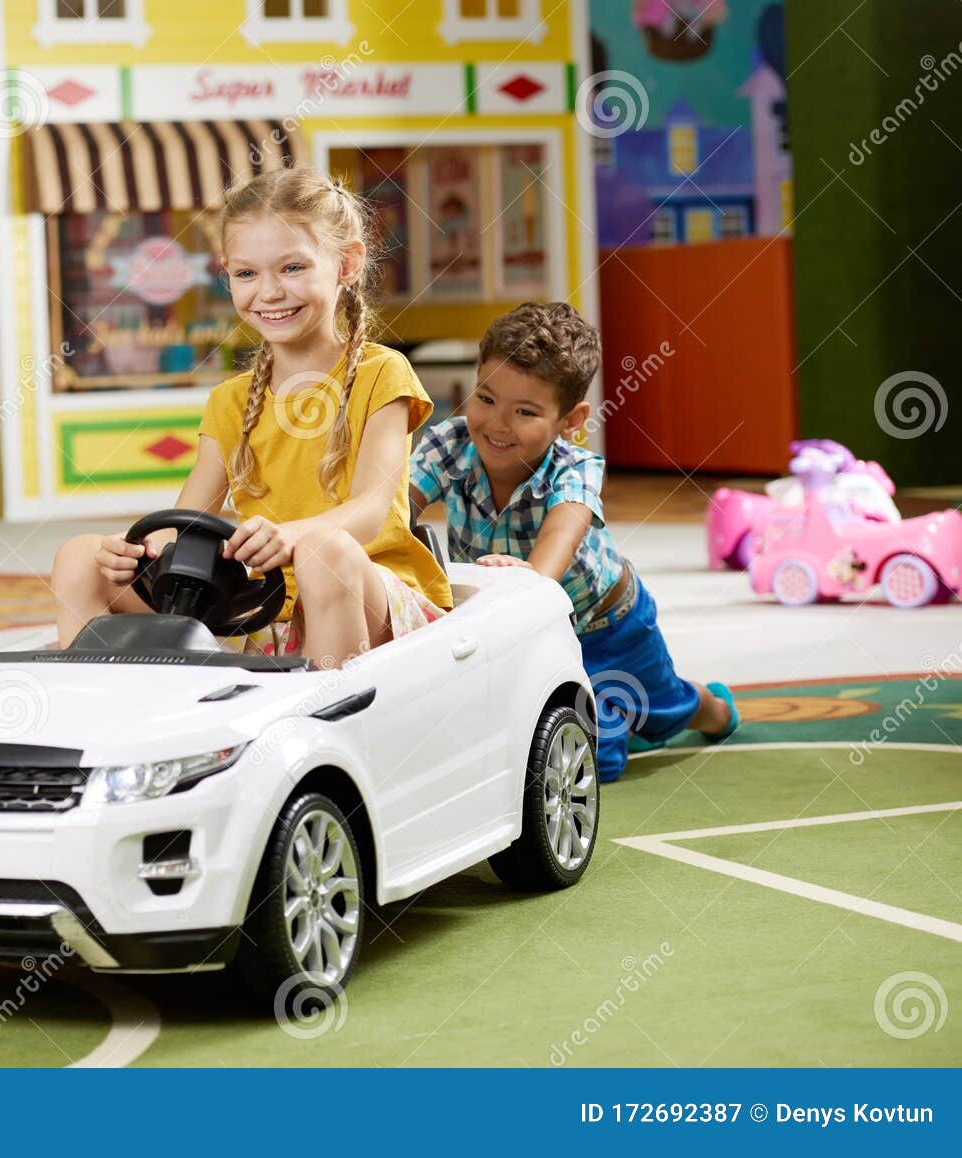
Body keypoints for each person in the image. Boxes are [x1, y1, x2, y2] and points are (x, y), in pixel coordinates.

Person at [51, 166, 452, 669]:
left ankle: (330, 721)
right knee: (79, 558)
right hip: (265, 611)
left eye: (292, 268)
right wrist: (139, 550)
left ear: (347, 265)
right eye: (246, 274)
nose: (269, 292)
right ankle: (114, 717)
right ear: (228, 275)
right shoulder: (229, 400)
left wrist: (293, 537)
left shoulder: (381, 373)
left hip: (369, 591)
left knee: (323, 553)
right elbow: (186, 524)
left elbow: (372, 511)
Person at [409, 301, 739, 781]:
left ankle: (711, 708)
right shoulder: (448, 445)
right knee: (571, 754)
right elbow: (394, 511)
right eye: (485, 398)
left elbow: (559, 542)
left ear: (571, 418)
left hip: (610, 625)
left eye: (525, 411)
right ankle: (605, 717)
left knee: (664, 710)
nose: (497, 424)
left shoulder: (575, 469)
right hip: (523, 633)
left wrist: (529, 577)